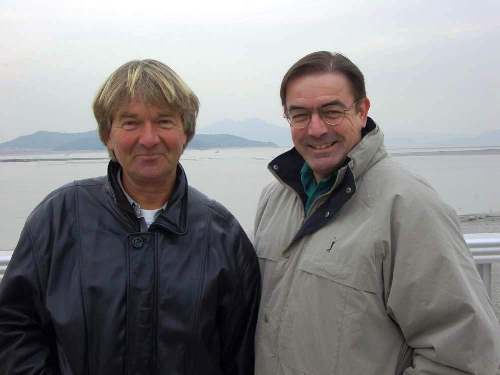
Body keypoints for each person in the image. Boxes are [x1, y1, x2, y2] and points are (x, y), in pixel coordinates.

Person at [0, 59, 260, 375]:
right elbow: (13, 325)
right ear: (108, 135)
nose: (148, 139)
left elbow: (240, 355)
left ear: (186, 133)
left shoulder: (223, 235)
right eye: (130, 123)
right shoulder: (59, 218)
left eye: (164, 121)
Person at [253, 51, 500, 375]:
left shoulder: (410, 207)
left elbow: (464, 358)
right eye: (299, 114)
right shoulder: (275, 198)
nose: (315, 129)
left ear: (361, 110)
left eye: (331, 111)